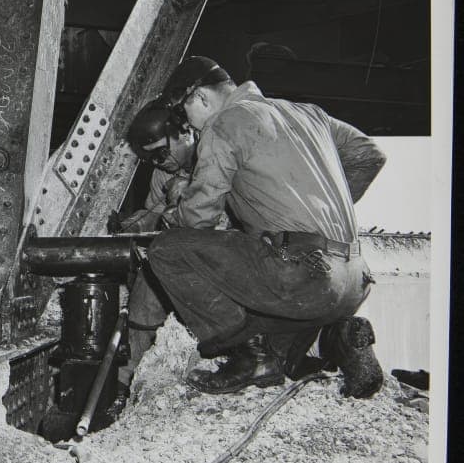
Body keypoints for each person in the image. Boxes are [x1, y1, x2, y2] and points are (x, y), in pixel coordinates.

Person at [147, 56, 387, 398]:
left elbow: (197, 220)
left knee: (168, 250)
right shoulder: (306, 112)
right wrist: (310, 208)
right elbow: (369, 153)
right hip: (354, 279)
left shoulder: (224, 122)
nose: (191, 127)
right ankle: (339, 339)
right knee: (281, 357)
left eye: (185, 115)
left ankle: (250, 358)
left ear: (200, 98)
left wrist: (173, 212)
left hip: (304, 276)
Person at [107, 99, 207, 398]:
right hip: (180, 253)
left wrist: (186, 195)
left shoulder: (217, 152)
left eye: (163, 152)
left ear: (186, 133)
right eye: (151, 159)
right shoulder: (163, 174)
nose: (159, 162)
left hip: (220, 253)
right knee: (146, 289)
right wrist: (137, 224)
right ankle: (125, 384)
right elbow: (155, 223)